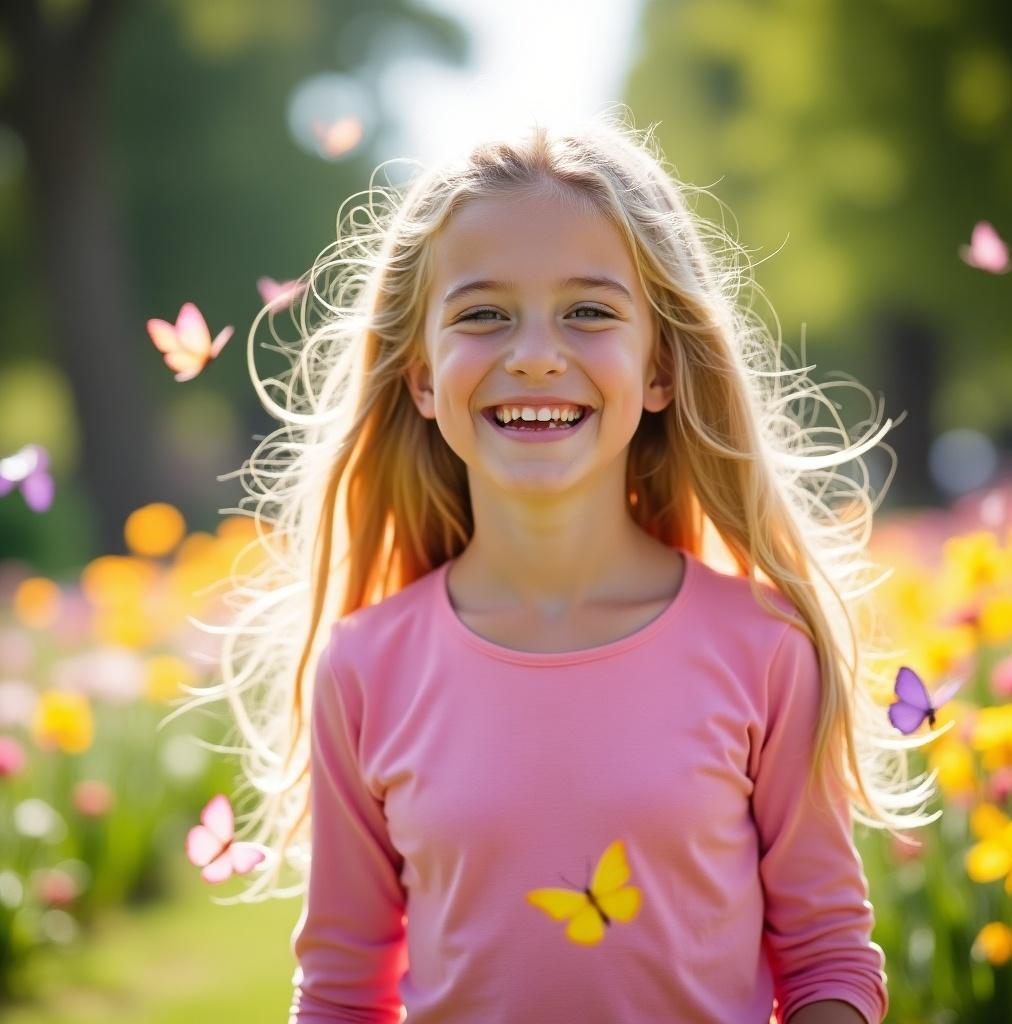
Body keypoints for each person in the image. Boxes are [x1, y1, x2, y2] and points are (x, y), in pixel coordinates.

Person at [183, 107, 936, 1023]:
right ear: (421, 377)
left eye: (588, 312)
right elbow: (341, 993)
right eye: (484, 315)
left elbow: (826, 961)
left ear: (659, 368)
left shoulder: (764, 650)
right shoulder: (364, 669)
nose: (535, 356)